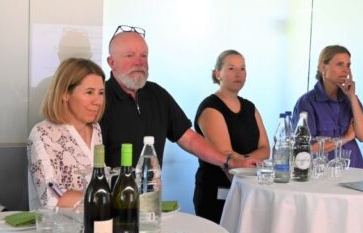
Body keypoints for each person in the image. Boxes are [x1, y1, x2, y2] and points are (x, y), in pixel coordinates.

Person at [99, 26, 257, 174]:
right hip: (111, 199)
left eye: (144, 56)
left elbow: (189, 139)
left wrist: (228, 161)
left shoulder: (157, 94)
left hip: (151, 197)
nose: (139, 62)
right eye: (130, 56)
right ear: (111, 63)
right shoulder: (99, 100)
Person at [193, 50, 270, 222]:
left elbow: (265, 149)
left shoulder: (250, 107)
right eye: (231, 68)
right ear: (217, 73)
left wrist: (244, 161)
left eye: (242, 69)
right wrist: (249, 163)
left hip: (248, 187)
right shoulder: (211, 108)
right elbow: (225, 156)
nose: (238, 74)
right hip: (217, 192)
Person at [28, 57, 106, 208]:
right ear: (65, 94)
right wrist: (103, 202)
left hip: (93, 223)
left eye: (101, 93)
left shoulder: (95, 129)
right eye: (89, 92)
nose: (97, 101)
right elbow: (51, 196)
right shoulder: (43, 133)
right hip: (56, 228)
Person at [292, 45, 363, 168]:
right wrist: (346, 138)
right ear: (322, 67)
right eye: (340, 64)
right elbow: (306, 149)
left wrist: (352, 98)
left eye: (348, 65)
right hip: (322, 174)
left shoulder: (351, 99)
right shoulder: (307, 102)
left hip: (354, 170)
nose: (346, 70)